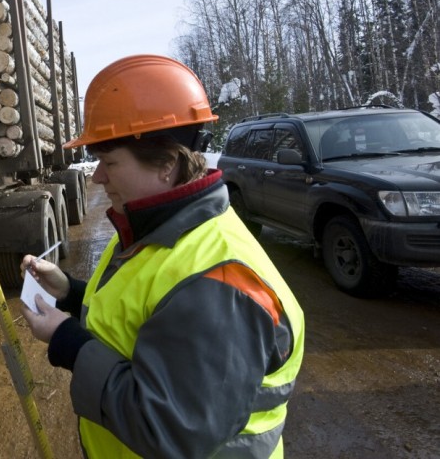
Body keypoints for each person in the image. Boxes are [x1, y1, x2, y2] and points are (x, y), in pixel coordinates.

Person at [20, 54, 305, 458]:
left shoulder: (219, 284)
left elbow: (171, 430)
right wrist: (69, 291)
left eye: (110, 162)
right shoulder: (164, 233)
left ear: (167, 165)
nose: (98, 176)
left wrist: (68, 341)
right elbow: (148, 316)